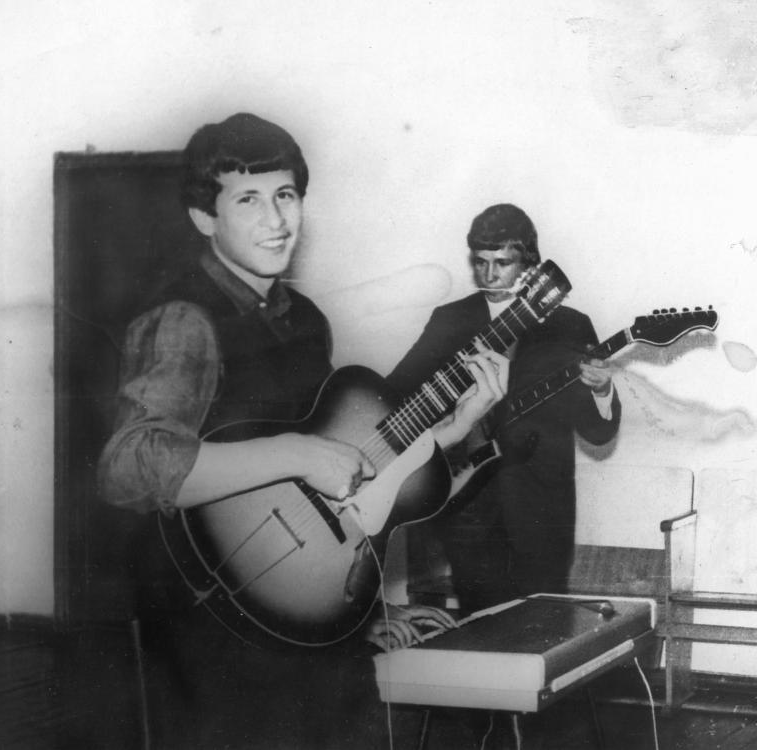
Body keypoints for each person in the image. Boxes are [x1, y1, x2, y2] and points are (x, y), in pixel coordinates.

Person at [96, 113, 509, 750]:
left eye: (285, 195)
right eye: (248, 199)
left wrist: (449, 433)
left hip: (296, 631)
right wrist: (295, 452)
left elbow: (339, 474)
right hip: (212, 639)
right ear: (205, 217)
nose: (276, 220)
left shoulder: (304, 319)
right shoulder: (185, 318)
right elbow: (129, 466)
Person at [388, 203, 621, 616]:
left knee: (547, 628)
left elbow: (597, 432)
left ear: (529, 264)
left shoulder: (571, 325)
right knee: (481, 631)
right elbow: (396, 396)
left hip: (543, 510)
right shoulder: (450, 320)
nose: (489, 275)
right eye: (480, 262)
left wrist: (602, 389)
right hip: (469, 510)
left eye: (502, 263)